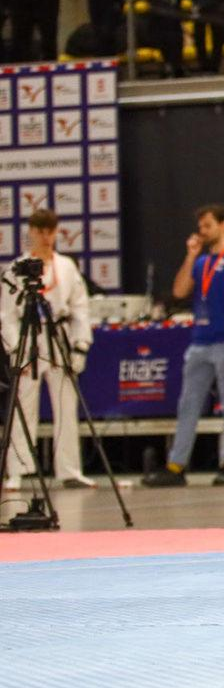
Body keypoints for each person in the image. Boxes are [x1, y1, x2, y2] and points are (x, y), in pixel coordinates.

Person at [144, 204, 224, 487]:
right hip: (200, 342)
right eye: (200, 227)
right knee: (188, 405)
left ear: (223, 225)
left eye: (208, 226)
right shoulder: (201, 262)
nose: (203, 232)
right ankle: (176, 465)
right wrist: (190, 255)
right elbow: (180, 291)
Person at [1, 209, 94, 490]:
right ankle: (18, 471)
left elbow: (80, 308)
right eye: (39, 231)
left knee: (66, 405)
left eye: (50, 231)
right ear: (30, 232)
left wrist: (80, 345)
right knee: (23, 407)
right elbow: (6, 314)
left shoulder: (66, 266)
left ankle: (69, 470)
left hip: (58, 336)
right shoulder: (17, 268)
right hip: (28, 336)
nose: (45, 237)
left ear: (56, 232)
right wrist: (15, 349)